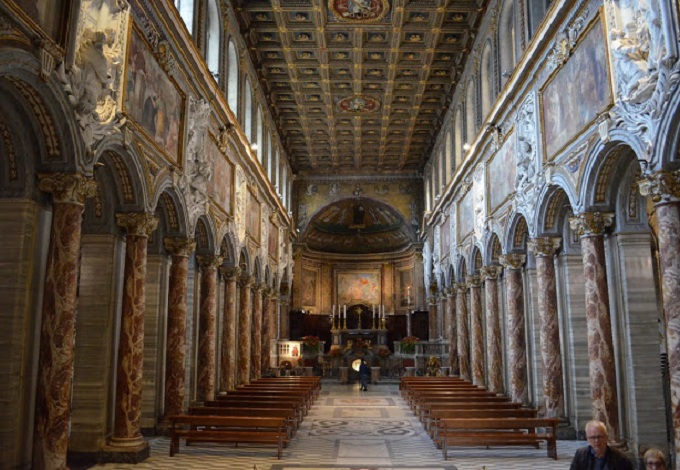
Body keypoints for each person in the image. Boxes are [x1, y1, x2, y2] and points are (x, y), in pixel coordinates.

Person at [569, 420, 634, 470]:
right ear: (587, 439)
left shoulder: (620, 458)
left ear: (606, 437)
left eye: (599, 437)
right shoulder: (580, 455)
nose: (597, 440)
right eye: (593, 437)